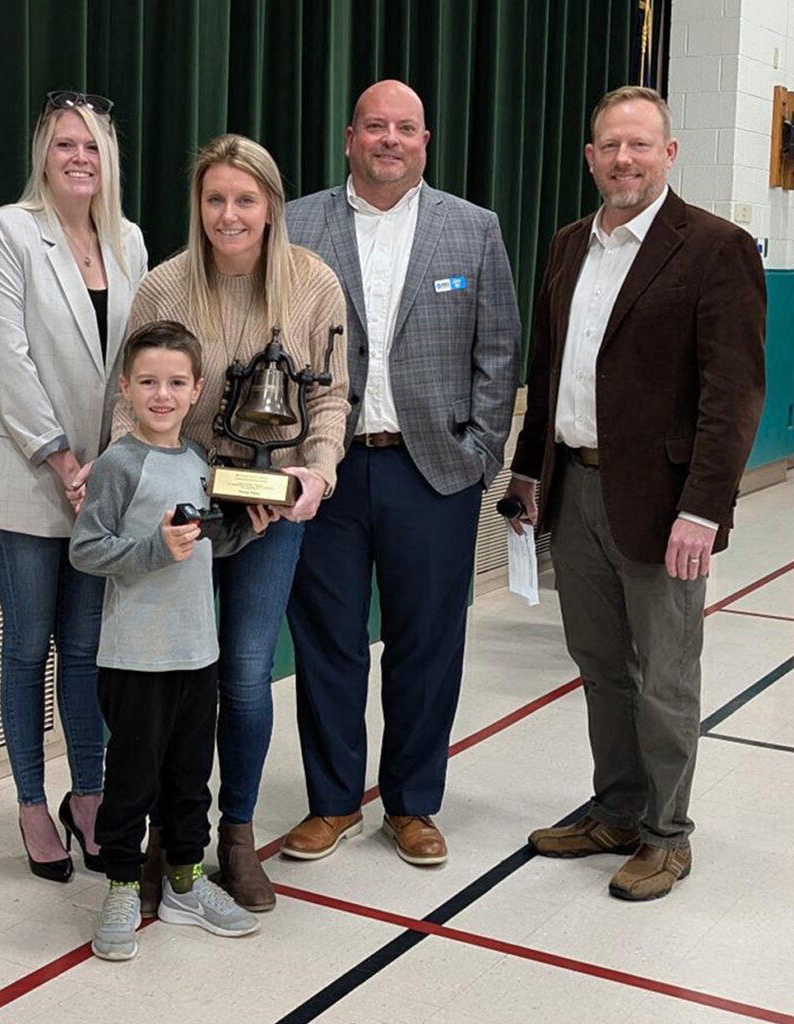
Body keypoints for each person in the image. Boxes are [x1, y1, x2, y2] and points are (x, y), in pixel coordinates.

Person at [504, 86, 766, 901]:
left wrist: (704, 508)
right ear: (589, 158)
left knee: (664, 676)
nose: (623, 160)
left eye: (639, 146)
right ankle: (616, 809)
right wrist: (527, 470)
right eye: (608, 147)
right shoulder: (565, 246)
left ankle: (665, 833)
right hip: (575, 489)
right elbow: (546, 371)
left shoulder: (713, 248)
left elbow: (733, 392)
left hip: (662, 504)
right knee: (598, 664)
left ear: (668, 152)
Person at [282, 79, 521, 866]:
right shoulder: (297, 224)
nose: (390, 139)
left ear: (425, 142)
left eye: (405, 128)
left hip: (433, 471)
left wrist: (482, 450)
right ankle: (331, 802)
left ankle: (413, 803)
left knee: (427, 642)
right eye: (375, 126)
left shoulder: (474, 229)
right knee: (327, 643)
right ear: (349, 138)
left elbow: (497, 352)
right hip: (327, 470)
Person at [112, 133, 349, 912]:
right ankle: (159, 838)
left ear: (271, 205)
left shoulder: (311, 284)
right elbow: (131, 403)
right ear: (198, 206)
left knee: (246, 675)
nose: (228, 214)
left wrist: (313, 473)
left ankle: (235, 836)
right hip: (180, 509)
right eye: (214, 198)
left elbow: (330, 397)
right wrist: (149, 489)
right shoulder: (163, 288)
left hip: (268, 509)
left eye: (244, 199)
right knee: (169, 679)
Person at [0, 90, 147, 882]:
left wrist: (112, 464)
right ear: (44, 152)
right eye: (65, 144)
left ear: (109, 161)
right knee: (27, 642)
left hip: (98, 482)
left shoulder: (130, 241)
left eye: (93, 146)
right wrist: (63, 462)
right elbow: (8, 361)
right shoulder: (7, 230)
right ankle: (33, 803)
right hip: (24, 472)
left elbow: (135, 361)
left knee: (84, 649)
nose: (79, 157)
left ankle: (90, 797)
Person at [71, 321, 277, 960]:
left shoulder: (197, 464)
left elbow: (202, 545)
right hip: (136, 656)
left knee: (190, 777)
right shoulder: (117, 464)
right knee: (133, 780)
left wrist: (252, 529)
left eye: (176, 383)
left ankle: (187, 882)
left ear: (196, 393)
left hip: (198, 654)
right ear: (126, 390)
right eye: (149, 382)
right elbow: (86, 549)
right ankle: (122, 886)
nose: (162, 394)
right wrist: (154, 548)